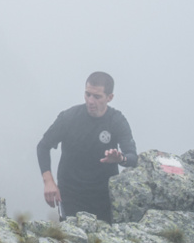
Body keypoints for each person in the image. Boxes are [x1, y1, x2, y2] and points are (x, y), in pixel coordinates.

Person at [36, 72, 138, 223]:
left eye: (97, 97)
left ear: (109, 97)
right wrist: (48, 181)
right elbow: (43, 146)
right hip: (71, 194)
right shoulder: (69, 117)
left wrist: (120, 158)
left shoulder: (116, 121)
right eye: (87, 94)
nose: (90, 101)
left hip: (104, 197)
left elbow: (133, 157)